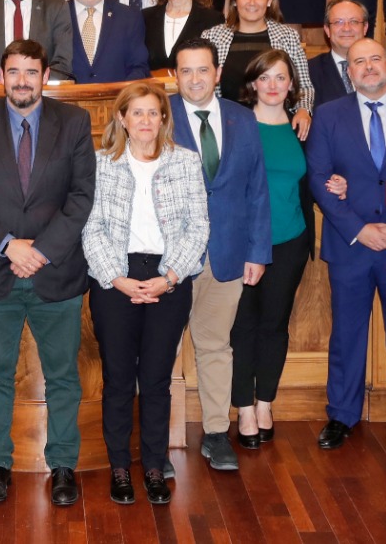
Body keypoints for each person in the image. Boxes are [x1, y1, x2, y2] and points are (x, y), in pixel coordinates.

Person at [0, 40, 96, 507]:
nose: (21, 81)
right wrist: (7, 245)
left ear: (44, 76)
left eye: (30, 72)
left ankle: (62, 466)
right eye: (13, 72)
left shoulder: (74, 122)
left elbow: (81, 197)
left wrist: (42, 251)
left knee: (63, 376)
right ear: (1, 74)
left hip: (56, 274)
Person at [83, 81, 208, 506]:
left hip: (168, 278)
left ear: (163, 118)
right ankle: (120, 467)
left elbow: (198, 227)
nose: (145, 121)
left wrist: (169, 277)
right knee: (118, 380)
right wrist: (116, 277)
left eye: (153, 113)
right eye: (137, 113)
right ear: (122, 118)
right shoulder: (101, 164)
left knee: (156, 380)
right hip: (114, 280)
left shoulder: (186, 162)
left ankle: (154, 467)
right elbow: (90, 227)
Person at [169, 38, 271, 472]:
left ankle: (215, 433)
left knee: (215, 346)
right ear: (175, 75)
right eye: (186, 71)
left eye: (202, 70)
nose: (195, 79)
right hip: (170, 260)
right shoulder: (158, 114)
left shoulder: (243, 119)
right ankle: (159, 443)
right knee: (162, 350)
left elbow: (257, 189)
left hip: (228, 254)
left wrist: (258, 251)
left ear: (217, 71)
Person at [307, 37, 386, 451]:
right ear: (348, 71)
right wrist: (359, 229)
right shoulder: (329, 115)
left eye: (375, 59)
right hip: (350, 244)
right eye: (358, 62)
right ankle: (342, 415)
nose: (368, 67)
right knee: (347, 334)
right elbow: (319, 177)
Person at [230, 49, 314, 448]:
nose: (273, 85)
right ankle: (243, 407)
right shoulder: (238, 124)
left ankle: (266, 402)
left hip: (291, 239)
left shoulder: (302, 127)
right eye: (265, 78)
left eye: (281, 78)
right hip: (247, 242)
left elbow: (314, 175)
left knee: (275, 325)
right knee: (243, 325)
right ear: (253, 85)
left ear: (291, 84)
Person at [202, 0, 314, 120]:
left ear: (269, 0)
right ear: (235, 0)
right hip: (226, 123)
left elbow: (304, 86)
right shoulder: (212, 37)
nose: (252, 2)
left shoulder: (288, 36)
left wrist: (303, 110)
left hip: (275, 121)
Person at [64, 0, 149, 84]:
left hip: (116, 101)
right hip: (67, 102)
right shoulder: (56, 16)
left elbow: (139, 68)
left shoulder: (129, 17)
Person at [310, 0, 369, 108]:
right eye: (338, 22)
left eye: (354, 22)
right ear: (327, 29)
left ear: (365, 28)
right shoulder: (309, 71)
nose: (346, 28)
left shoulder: (385, 70)